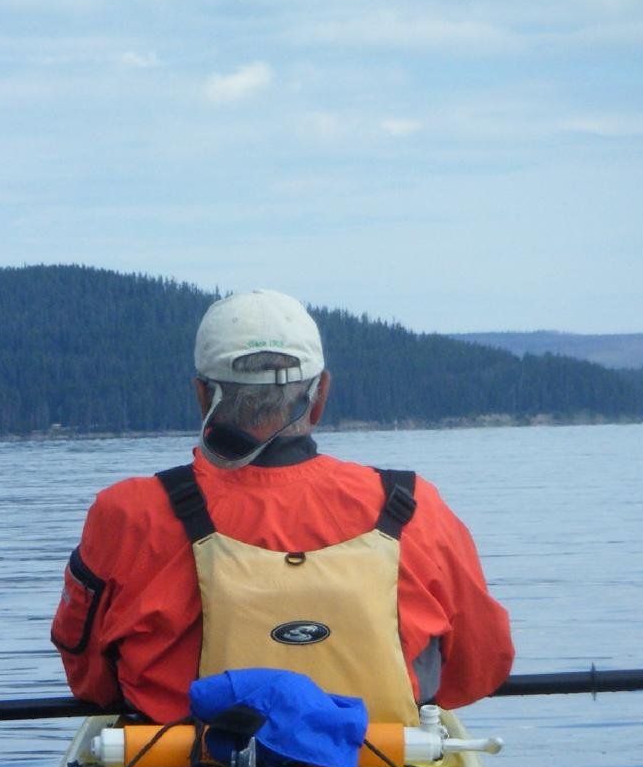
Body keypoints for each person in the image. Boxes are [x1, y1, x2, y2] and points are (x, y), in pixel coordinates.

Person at [52, 289, 513, 728]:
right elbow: (480, 668)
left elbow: (91, 683)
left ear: (201, 396)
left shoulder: (128, 513)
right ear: (321, 395)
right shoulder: (411, 504)